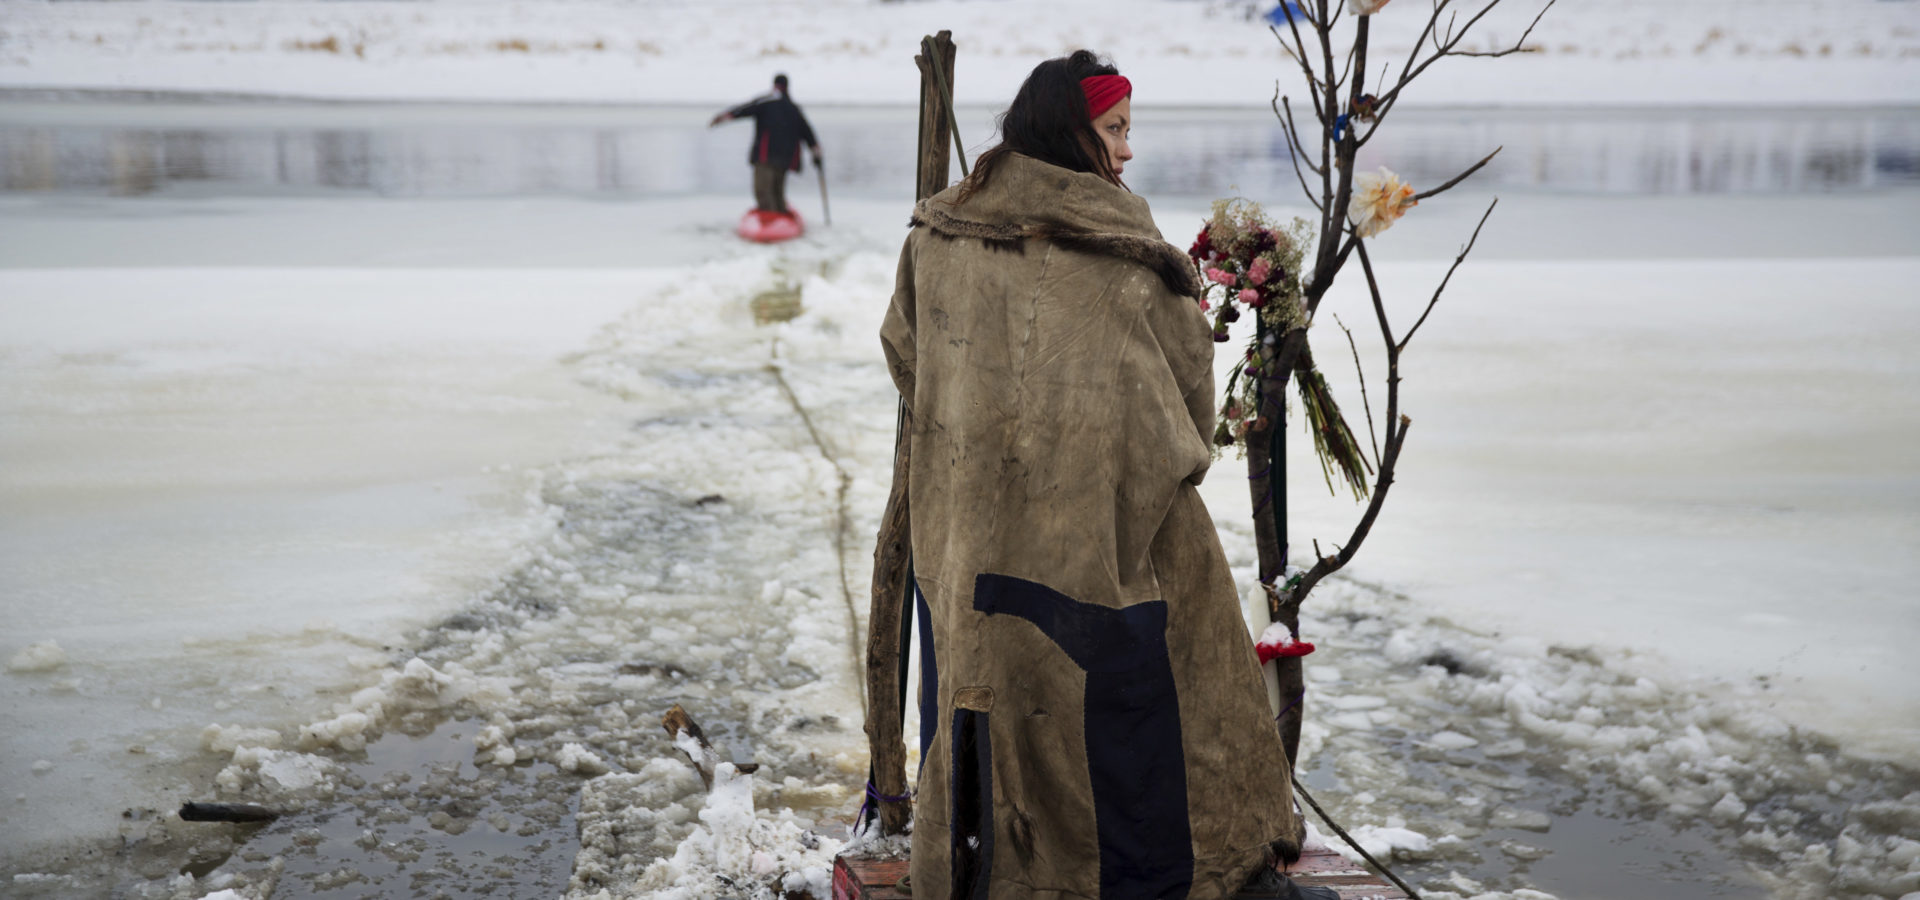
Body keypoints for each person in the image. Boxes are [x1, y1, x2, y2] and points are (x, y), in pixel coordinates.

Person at [881, 51, 1331, 900]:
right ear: (1070, 132)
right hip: (1098, 539)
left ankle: (984, 871)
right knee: (1164, 701)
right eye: (1115, 130)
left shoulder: (938, 236)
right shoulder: (1132, 262)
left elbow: (907, 359)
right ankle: (1173, 879)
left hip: (967, 537)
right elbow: (1189, 413)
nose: (1126, 152)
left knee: (985, 700)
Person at [709, 73, 820, 215]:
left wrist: (723, 116)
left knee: (763, 192)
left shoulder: (766, 101)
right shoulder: (793, 108)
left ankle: (769, 222)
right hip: (785, 158)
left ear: (774, 85)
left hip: (765, 156)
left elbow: (744, 109)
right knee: (777, 192)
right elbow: (808, 133)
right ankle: (781, 216)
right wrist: (816, 151)